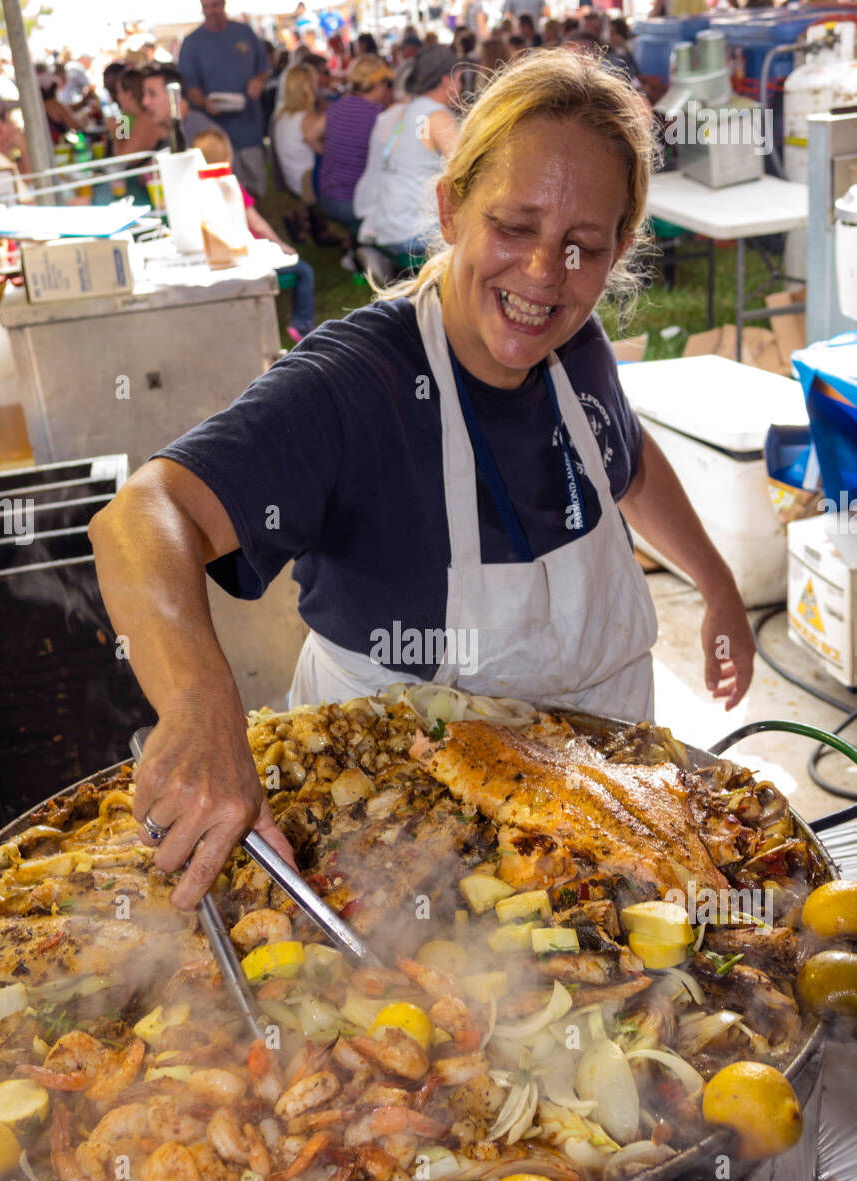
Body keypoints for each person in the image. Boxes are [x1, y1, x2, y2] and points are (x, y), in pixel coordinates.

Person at [88, 51, 755, 911]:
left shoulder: (575, 347)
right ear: (450, 209)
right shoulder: (357, 384)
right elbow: (144, 515)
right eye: (514, 227)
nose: (545, 274)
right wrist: (201, 704)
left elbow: (626, 459)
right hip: (391, 869)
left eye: (583, 247)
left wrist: (718, 584)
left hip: (603, 836)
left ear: (619, 248)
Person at [191, 126, 316, 343]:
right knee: (304, 271)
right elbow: (256, 224)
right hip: (252, 258)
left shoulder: (195, 190)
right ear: (227, 158)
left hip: (221, 261)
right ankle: (302, 323)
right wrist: (279, 244)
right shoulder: (231, 186)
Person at [356, 45, 460, 260]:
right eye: (458, 79)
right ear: (445, 81)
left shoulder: (409, 109)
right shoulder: (437, 117)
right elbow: (466, 170)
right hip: (413, 232)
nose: (460, 87)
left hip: (387, 225)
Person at [178, 0, 269, 197]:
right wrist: (203, 102)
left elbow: (263, 69)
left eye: (216, 5)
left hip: (248, 122)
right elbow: (190, 87)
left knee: (254, 177)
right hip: (213, 127)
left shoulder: (244, 32)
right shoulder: (193, 42)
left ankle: (256, 217)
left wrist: (258, 81)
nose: (211, 11)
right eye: (206, 6)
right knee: (222, 186)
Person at [317, 54, 394, 230]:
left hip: (327, 195)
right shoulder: (378, 116)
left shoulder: (337, 106)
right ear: (377, 84)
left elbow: (311, 135)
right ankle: (364, 250)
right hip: (354, 203)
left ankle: (352, 245)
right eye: (386, 83)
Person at [272, 65, 339, 246]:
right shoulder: (306, 119)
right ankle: (312, 225)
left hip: (293, 175)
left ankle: (307, 223)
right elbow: (325, 150)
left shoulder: (283, 114)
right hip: (306, 179)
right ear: (308, 88)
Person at [141, 63, 226, 153]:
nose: (145, 102)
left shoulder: (198, 134)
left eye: (152, 94)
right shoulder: (182, 129)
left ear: (175, 94)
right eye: (144, 94)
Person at [112, 68, 163, 159]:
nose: (118, 97)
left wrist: (115, 130)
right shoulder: (130, 117)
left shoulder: (146, 118)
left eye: (119, 92)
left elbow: (123, 159)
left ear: (128, 94)